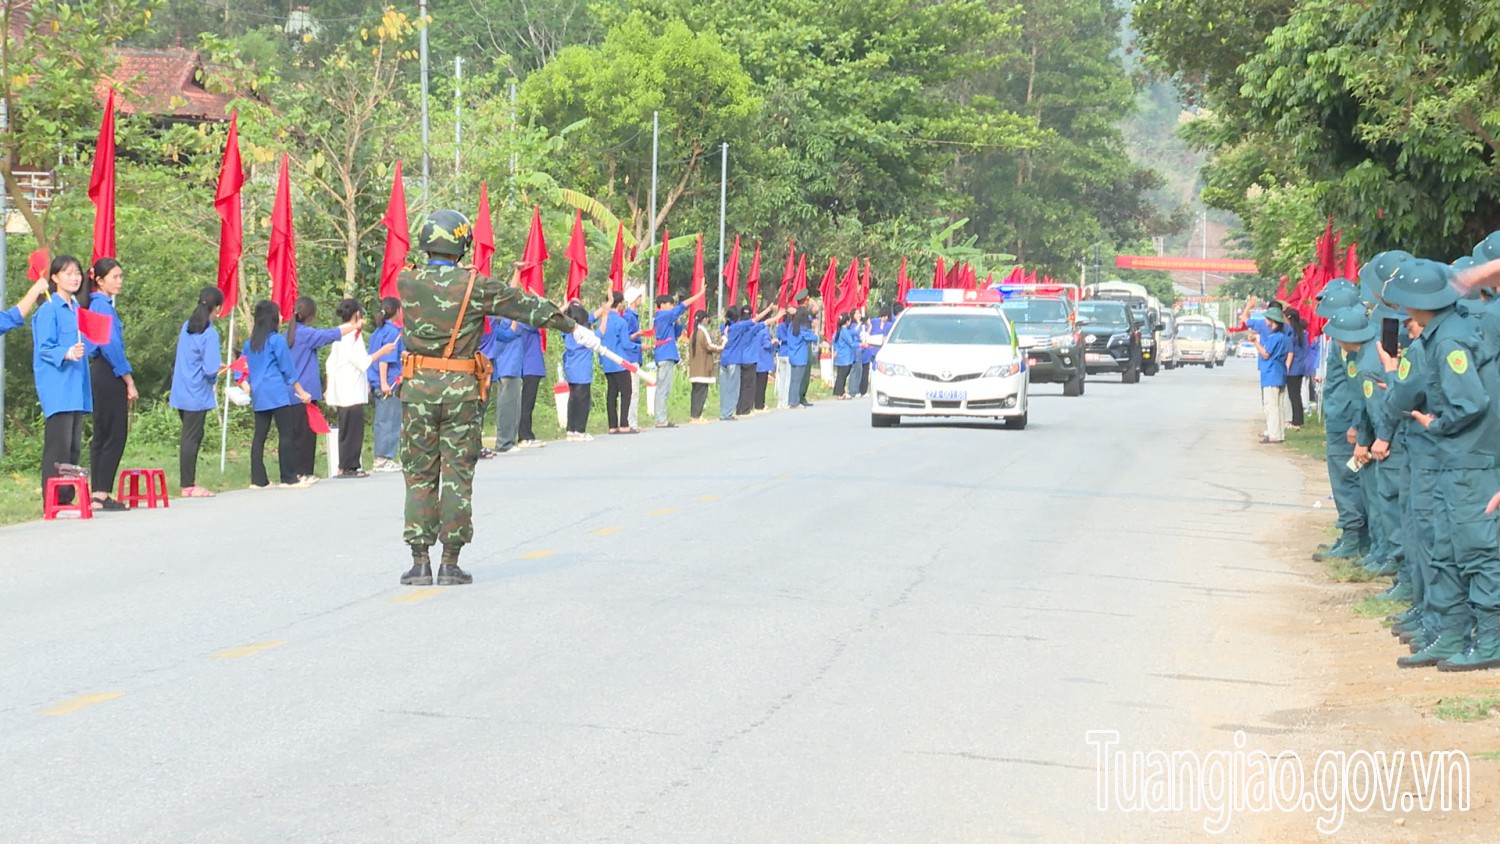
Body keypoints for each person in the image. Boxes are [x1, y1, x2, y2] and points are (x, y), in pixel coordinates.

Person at [397, 212, 588, 587]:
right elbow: (523, 305)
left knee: (419, 475)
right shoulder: (476, 286)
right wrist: (569, 323)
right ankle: (450, 564)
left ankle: (420, 562)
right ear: (462, 244)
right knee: (456, 475)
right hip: (461, 394)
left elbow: (427, 281)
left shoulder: (407, 281)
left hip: (417, 390)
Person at [1380, 259, 1500, 671]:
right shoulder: (1446, 332)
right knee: (1445, 548)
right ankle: (1450, 633)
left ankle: (1489, 641)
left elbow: (1470, 403)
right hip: (1456, 458)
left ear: (1417, 305)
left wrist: (1438, 423)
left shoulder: (1448, 342)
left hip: (1469, 457)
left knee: (1477, 550)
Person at [1312, 283, 1370, 562]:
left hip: (1346, 419)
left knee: (1346, 480)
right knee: (1349, 479)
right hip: (1341, 415)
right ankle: (1354, 536)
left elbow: (1359, 384)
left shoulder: (1348, 337)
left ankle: (1352, 537)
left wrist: (1357, 424)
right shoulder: (1342, 335)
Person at [32, 255, 92, 507]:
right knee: (58, 447)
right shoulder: (48, 310)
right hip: (58, 387)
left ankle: (67, 497)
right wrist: (66, 353)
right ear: (54, 278)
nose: (74, 277)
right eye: (67, 273)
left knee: (73, 447)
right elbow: (44, 347)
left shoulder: (78, 310)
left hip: (76, 386)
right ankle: (53, 500)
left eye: (77, 272)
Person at [284, 296, 359, 483]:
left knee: (292, 435)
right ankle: (304, 472)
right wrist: (354, 327)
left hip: (288, 391)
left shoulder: (287, 334)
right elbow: (330, 335)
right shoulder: (306, 334)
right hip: (305, 392)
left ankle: (293, 472)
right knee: (306, 436)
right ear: (311, 315)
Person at [83, 258, 136, 511]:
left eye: (121, 276)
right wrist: (128, 379)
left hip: (98, 371)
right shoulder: (102, 307)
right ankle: (102, 493)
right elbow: (110, 345)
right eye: (114, 277)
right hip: (108, 371)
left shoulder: (95, 305)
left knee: (102, 432)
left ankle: (98, 493)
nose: (119, 281)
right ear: (100, 280)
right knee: (114, 433)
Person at [243, 300, 312, 489]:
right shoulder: (276, 340)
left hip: (259, 395)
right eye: (279, 314)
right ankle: (288, 478)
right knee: (286, 435)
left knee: (259, 437)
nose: (282, 318)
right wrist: (301, 391)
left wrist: (244, 383)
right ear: (272, 318)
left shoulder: (250, 344)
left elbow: (242, 368)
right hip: (276, 393)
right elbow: (287, 369)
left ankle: (258, 480)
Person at [326, 298, 398, 478]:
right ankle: (350, 465)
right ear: (357, 314)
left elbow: (330, 364)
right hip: (350, 389)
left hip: (344, 387)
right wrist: (383, 351)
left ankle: (345, 465)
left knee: (346, 428)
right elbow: (363, 362)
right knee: (353, 429)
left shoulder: (339, 335)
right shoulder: (352, 336)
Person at [169, 287, 225, 497]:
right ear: (217, 308)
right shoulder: (209, 333)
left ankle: (188, 482)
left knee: (189, 436)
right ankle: (188, 485)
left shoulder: (187, 327)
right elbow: (210, 369)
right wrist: (214, 374)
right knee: (192, 438)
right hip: (197, 393)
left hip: (181, 390)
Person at [651, 288, 707, 428]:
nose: (671, 307)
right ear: (662, 305)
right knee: (662, 388)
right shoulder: (662, 315)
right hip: (665, 354)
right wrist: (698, 295)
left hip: (666, 354)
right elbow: (682, 306)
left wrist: (677, 322)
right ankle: (660, 419)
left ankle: (661, 417)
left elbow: (676, 333)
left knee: (664, 388)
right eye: (669, 304)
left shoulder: (667, 318)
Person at [367, 297, 404, 473]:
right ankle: (383, 457)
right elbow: (385, 359)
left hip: (375, 379)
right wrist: (384, 382)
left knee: (381, 419)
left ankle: (380, 457)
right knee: (389, 420)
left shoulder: (377, 332)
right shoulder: (393, 333)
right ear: (397, 311)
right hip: (389, 382)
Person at [599, 292, 641, 434]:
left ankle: (612, 425)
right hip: (620, 362)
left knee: (612, 393)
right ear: (620, 304)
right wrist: (639, 346)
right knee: (626, 392)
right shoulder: (621, 322)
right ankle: (624, 423)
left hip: (607, 362)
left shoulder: (602, 321)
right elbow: (626, 344)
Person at [1248, 306, 1291, 443]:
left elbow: (1266, 354)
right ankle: (1279, 434)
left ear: (1272, 321)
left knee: (1271, 406)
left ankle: (1273, 434)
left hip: (1271, 373)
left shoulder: (1274, 337)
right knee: (1278, 406)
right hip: (1280, 372)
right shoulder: (1284, 337)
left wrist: (1255, 342)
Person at [562, 302, 597, 441]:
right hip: (583, 372)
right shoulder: (583, 334)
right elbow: (598, 337)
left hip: (571, 370)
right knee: (583, 401)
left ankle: (570, 429)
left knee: (573, 399)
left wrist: (570, 306)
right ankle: (580, 430)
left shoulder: (567, 332)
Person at [686, 310, 723, 422]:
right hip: (703, 367)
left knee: (695, 392)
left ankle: (694, 415)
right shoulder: (703, 332)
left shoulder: (694, 332)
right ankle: (697, 415)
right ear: (704, 319)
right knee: (702, 393)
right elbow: (709, 346)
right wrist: (720, 347)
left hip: (695, 368)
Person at [516, 321, 546, 447]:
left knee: (528, 403)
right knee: (527, 403)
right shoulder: (526, 324)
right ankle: (524, 435)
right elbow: (543, 319)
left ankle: (527, 433)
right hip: (530, 367)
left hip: (532, 366)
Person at [623, 285, 647, 432]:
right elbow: (627, 338)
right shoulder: (629, 317)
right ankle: (630, 423)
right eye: (638, 297)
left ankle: (630, 421)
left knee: (632, 390)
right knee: (633, 390)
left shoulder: (631, 315)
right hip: (631, 356)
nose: (640, 299)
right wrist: (638, 334)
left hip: (633, 355)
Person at [784, 309, 818, 408]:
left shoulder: (791, 326)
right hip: (801, 357)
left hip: (792, 356)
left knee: (793, 380)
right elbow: (814, 338)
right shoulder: (803, 329)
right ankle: (795, 402)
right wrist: (815, 328)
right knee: (798, 381)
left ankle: (791, 400)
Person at [832, 312, 859, 399]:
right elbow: (851, 343)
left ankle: (840, 392)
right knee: (842, 376)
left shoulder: (838, 331)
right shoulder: (844, 331)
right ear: (847, 321)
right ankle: (840, 393)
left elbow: (834, 342)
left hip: (840, 357)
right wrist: (861, 344)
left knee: (840, 375)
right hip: (845, 357)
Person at [754, 315, 775, 410]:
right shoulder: (765, 330)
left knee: (756, 384)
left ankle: (755, 403)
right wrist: (773, 342)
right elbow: (766, 345)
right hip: (764, 360)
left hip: (755, 359)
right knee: (762, 385)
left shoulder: (755, 329)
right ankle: (760, 404)